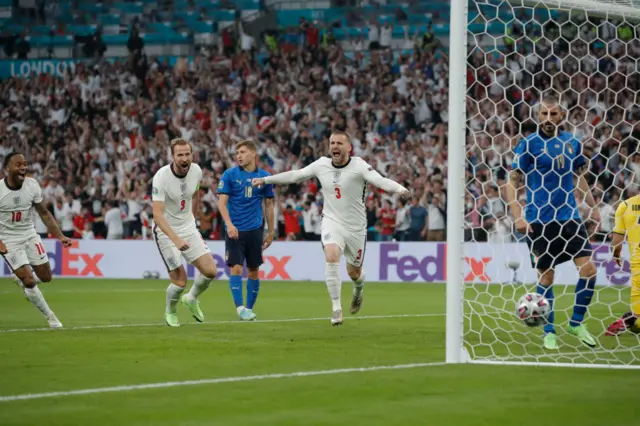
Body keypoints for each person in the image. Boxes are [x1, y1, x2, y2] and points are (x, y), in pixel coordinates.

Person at [252, 131, 409, 326]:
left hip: (356, 228)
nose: (335, 146)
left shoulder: (359, 166)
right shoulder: (321, 165)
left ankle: (358, 289)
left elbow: (380, 180)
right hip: (332, 222)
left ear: (349, 147)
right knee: (332, 254)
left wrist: (400, 189)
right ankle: (336, 308)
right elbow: (296, 175)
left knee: (354, 273)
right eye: (332, 143)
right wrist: (267, 180)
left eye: (339, 143)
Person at [506, 96, 600, 350]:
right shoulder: (528, 144)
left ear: (562, 116)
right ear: (537, 116)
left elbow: (579, 177)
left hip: (569, 216)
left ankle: (576, 322)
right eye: (544, 114)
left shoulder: (571, 143)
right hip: (539, 220)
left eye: (554, 114)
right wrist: (518, 216)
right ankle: (549, 331)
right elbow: (511, 182)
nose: (549, 119)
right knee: (546, 278)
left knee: (589, 271)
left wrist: (593, 207)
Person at [0, 152, 72, 328]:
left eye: (25, 164)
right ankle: (51, 317)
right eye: (18, 164)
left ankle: (22, 279)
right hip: (8, 239)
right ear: (7, 168)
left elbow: (44, 213)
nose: (23, 168)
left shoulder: (32, 185)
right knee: (30, 281)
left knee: (46, 277)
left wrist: (60, 235)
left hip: (29, 234)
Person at [151, 138, 218, 327]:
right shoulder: (161, 177)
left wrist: (193, 219)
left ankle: (192, 298)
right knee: (180, 280)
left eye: (187, 154)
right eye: (180, 155)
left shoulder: (196, 171)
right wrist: (176, 238)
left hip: (188, 227)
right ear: (172, 157)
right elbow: (157, 214)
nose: (184, 158)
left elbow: (195, 193)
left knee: (210, 271)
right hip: (166, 231)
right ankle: (170, 311)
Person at [217, 140, 275, 321]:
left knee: (253, 270)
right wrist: (229, 224)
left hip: (255, 230)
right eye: (237, 153)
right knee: (235, 267)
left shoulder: (264, 177)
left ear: (253, 153)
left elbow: (269, 204)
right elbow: (221, 203)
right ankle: (240, 308)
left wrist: (271, 231)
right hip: (235, 229)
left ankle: (248, 309)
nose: (239, 156)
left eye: (242, 152)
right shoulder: (230, 175)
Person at [606, 192, 640, 336]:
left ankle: (629, 320)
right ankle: (629, 320)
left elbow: (617, 241)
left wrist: (616, 254)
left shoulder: (625, 205)